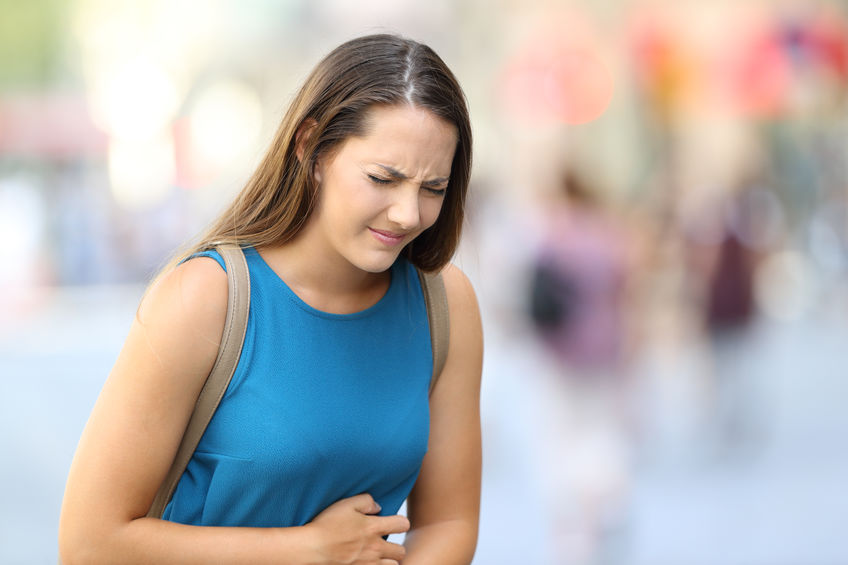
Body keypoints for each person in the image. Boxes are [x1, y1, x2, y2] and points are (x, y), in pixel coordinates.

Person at [59, 34, 482, 565]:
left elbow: (450, 520)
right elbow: (88, 543)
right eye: (382, 178)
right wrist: (306, 550)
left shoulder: (445, 306)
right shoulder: (205, 298)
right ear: (311, 147)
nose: (407, 214)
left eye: (434, 188)